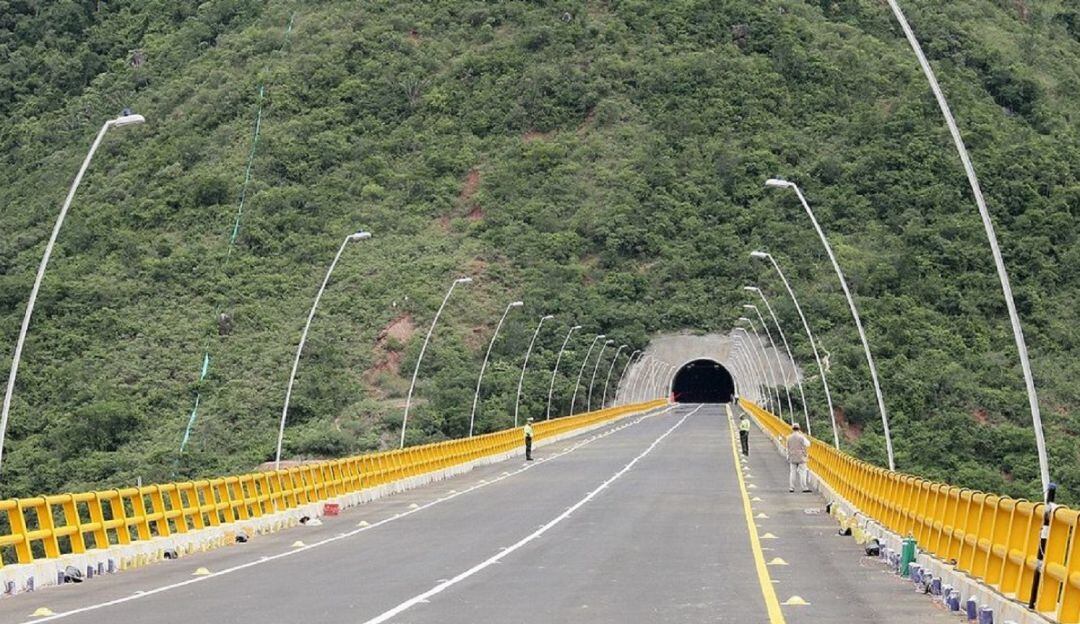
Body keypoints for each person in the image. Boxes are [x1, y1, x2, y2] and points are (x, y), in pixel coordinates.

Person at [786, 423, 811, 493]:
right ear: (799, 429)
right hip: (801, 457)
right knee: (803, 472)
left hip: (792, 456)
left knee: (792, 473)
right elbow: (808, 444)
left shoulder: (788, 437)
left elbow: (787, 447)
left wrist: (787, 456)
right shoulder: (801, 437)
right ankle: (804, 488)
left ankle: (791, 488)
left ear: (792, 429)